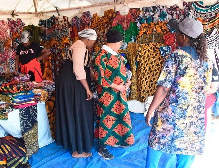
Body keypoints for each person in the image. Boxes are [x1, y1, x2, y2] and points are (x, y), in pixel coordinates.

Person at [145, 17, 211, 168]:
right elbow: (205, 90)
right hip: (193, 118)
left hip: (171, 114)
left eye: (177, 32)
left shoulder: (176, 56)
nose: (175, 35)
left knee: (156, 142)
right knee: (187, 148)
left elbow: (163, 88)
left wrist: (151, 110)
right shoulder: (206, 61)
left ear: (183, 37)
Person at [93, 29, 135, 160]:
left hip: (119, 93)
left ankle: (117, 139)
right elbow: (99, 77)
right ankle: (102, 147)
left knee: (119, 116)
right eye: (120, 42)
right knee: (106, 118)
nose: (121, 45)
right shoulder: (101, 56)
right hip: (108, 94)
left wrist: (127, 82)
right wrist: (117, 86)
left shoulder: (116, 54)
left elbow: (123, 71)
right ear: (115, 42)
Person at [55, 29, 97, 158]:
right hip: (72, 83)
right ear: (88, 39)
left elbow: (83, 67)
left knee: (75, 110)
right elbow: (78, 69)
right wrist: (87, 89)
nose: (93, 44)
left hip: (70, 81)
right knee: (77, 111)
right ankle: (77, 150)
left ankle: (75, 143)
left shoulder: (80, 45)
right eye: (93, 42)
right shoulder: (79, 47)